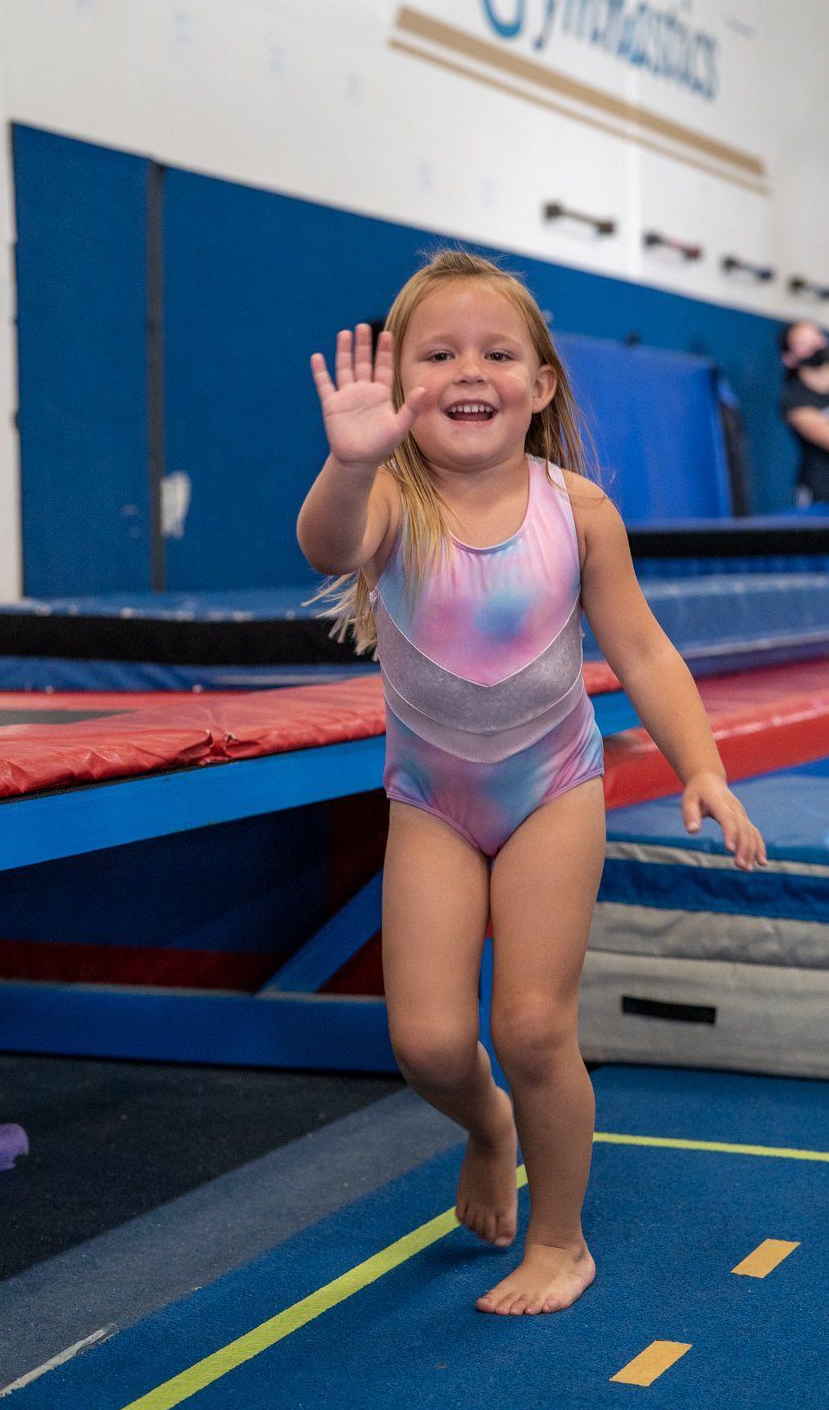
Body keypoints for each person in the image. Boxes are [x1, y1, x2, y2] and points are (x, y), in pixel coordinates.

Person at [296, 249, 767, 1318]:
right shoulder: (390, 503)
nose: (471, 370)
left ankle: (559, 1240)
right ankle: (487, 1128)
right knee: (423, 1041)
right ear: (404, 385)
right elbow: (325, 543)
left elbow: (642, 652)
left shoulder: (577, 508)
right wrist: (351, 462)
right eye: (441, 353)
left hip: (551, 787)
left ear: (541, 384)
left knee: (532, 1027)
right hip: (432, 800)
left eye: (497, 352)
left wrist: (703, 768)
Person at [779, 318, 829, 508]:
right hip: (820, 497)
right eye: (803, 343)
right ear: (789, 357)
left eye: (816, 337)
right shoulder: (794, 399)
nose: (815, 345)